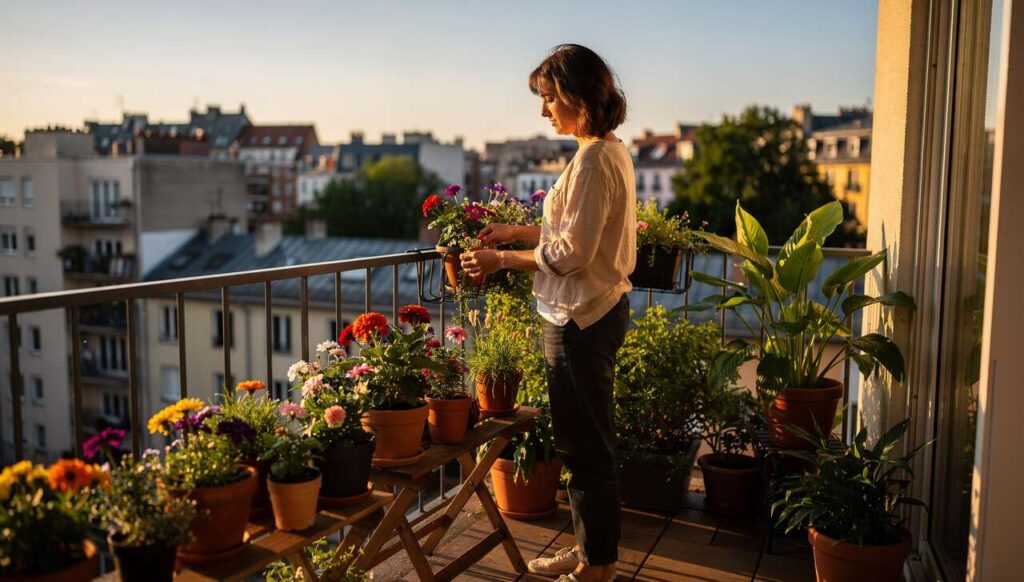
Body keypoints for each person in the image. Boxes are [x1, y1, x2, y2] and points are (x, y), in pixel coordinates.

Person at [460, 43, 636, 582]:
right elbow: (574, 235)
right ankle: (591, 552)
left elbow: (568, 254)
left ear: (576, 96)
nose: (544, 111)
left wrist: (500, 258)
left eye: (548, 98)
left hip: (581, 318)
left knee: (586, 449)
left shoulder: (591, 160)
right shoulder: (609, 149)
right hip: (589, 312)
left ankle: (598, 567)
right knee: (582, 444)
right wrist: (516, 231)